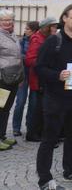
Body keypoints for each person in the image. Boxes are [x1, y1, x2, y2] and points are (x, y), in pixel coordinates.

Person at [35, 4, 72, 189]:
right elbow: (39, 68)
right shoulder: (54, 41)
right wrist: (57, 75)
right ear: (64, 18)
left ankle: (70, 170)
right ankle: (45, 180)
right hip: (55, 99)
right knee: (49, 140)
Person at [25, 17, 58, 142]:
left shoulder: (48, 38)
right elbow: (29, 59)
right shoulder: (37, 39)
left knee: (43, 107)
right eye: (53, 26)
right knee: (36, 108)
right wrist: (45, 63)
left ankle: (39, 132)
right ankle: (32, 133)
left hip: (45, 78)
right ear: (46, 27)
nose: (55, 29)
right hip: (38, 79)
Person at [0, 9, 23, 151]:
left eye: (10, 20)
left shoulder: (12, 34)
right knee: (0, 108)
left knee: (6, 108)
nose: (7, 22)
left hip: (13, 79)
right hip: (2, 79)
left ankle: (2, 135)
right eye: (4, 20)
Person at [12, 20, 38, 137]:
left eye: (27, 29)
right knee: (20, 102)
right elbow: (18, 56)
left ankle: (30, 127)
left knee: (33, 103)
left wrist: (27, 57)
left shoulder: (37, 41)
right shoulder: (22, 41)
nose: (25, 31)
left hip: (34, 75)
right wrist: (27, 57)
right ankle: (16, 127)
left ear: (33, 31)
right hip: (22, 75)